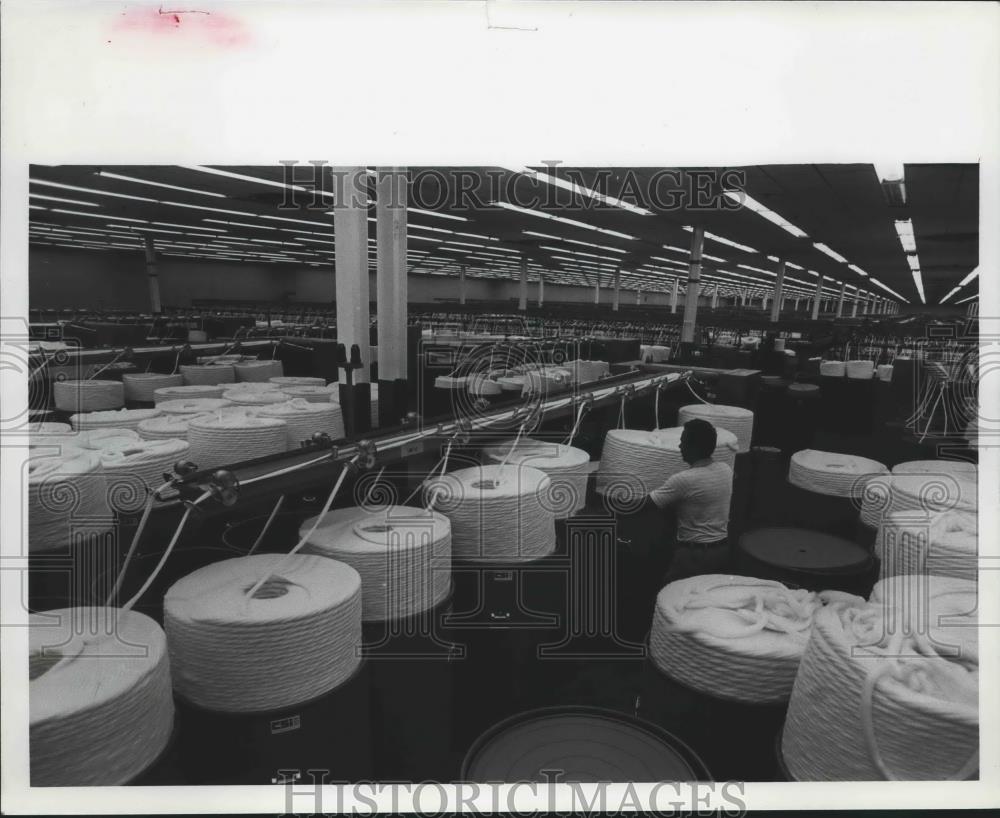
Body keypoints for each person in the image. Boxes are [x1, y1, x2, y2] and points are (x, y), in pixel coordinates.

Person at [647, 418, 734, 584]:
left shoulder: (683, 480)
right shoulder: (726, 470)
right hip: (722, 551)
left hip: (694, 556)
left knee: (672, 596)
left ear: (693, 447)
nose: (680, 446)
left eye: (682, 442)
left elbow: (643, 505)